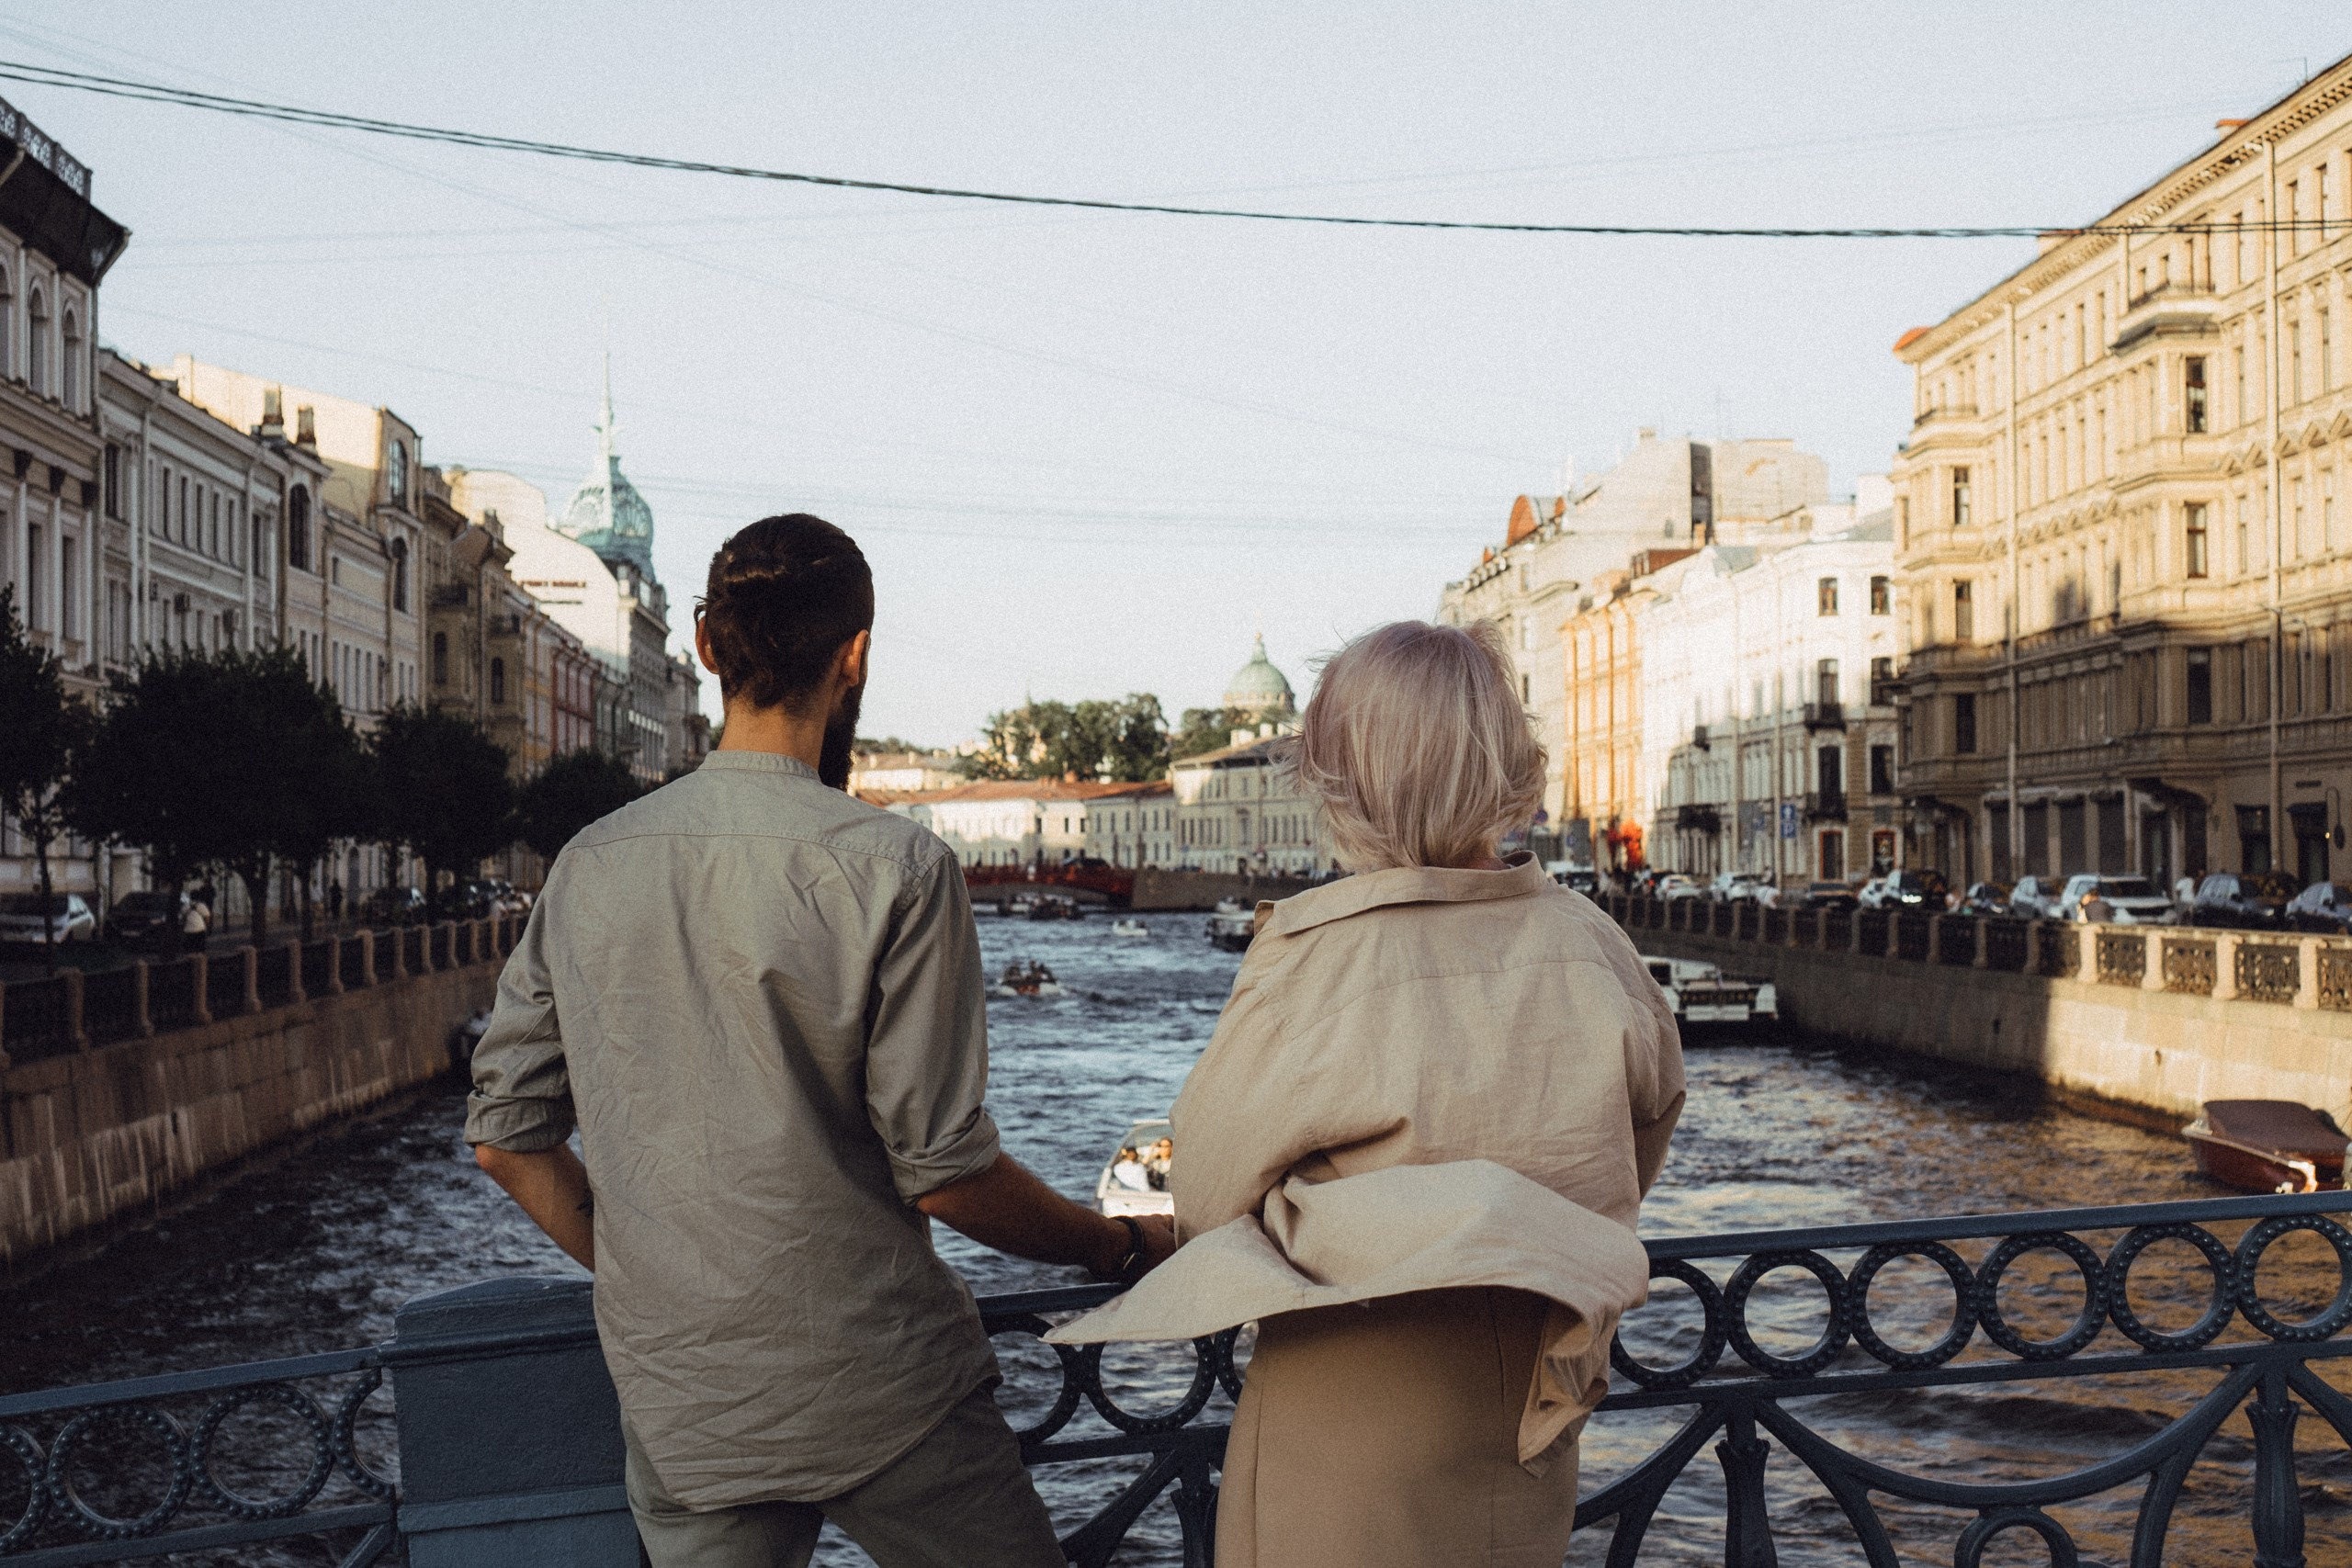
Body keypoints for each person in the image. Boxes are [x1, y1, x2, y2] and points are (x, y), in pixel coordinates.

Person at [467, 513, 1174, 1568]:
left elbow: (507, 1142)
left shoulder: (588, 863)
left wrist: (668, 1280)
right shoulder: (898, 865)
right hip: (886, 1384)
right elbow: (946, 1176)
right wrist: (1116, 1246)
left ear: (705, 645)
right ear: (856, 658)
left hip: (691, 1401)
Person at [1053, 620, 1684, 1568]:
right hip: (1531, 1400)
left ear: (1339, 778)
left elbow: (1207, 1197)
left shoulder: (1313, 957)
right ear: (1509, 763)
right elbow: (1638, 1140)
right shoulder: (1598, 945)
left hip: (1345, 1405)